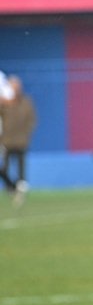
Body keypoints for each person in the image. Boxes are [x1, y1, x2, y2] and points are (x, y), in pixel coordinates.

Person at [0, 75, 37, 208]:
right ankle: (12, 187)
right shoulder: (4, 104)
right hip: (6, 140)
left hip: (21, 140)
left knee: (21, 169)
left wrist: (26, 134)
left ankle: (20, 193)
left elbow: (31, 119)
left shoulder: (26, 102)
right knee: (4, 168)